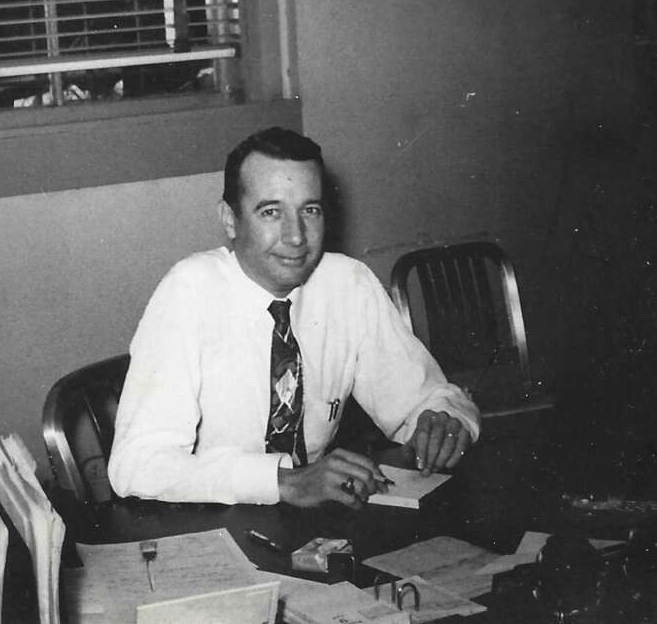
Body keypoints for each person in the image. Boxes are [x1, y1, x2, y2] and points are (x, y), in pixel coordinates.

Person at [107, 127, 479, 510]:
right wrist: (282, 482)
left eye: (310, 210)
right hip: (207, 519)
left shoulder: (347, 283)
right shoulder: (188, 291)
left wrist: (444, 420)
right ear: (230, 220)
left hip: (311, 525)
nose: (296, 236)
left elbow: (426, 397)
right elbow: (136, 466)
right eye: (271, 212)